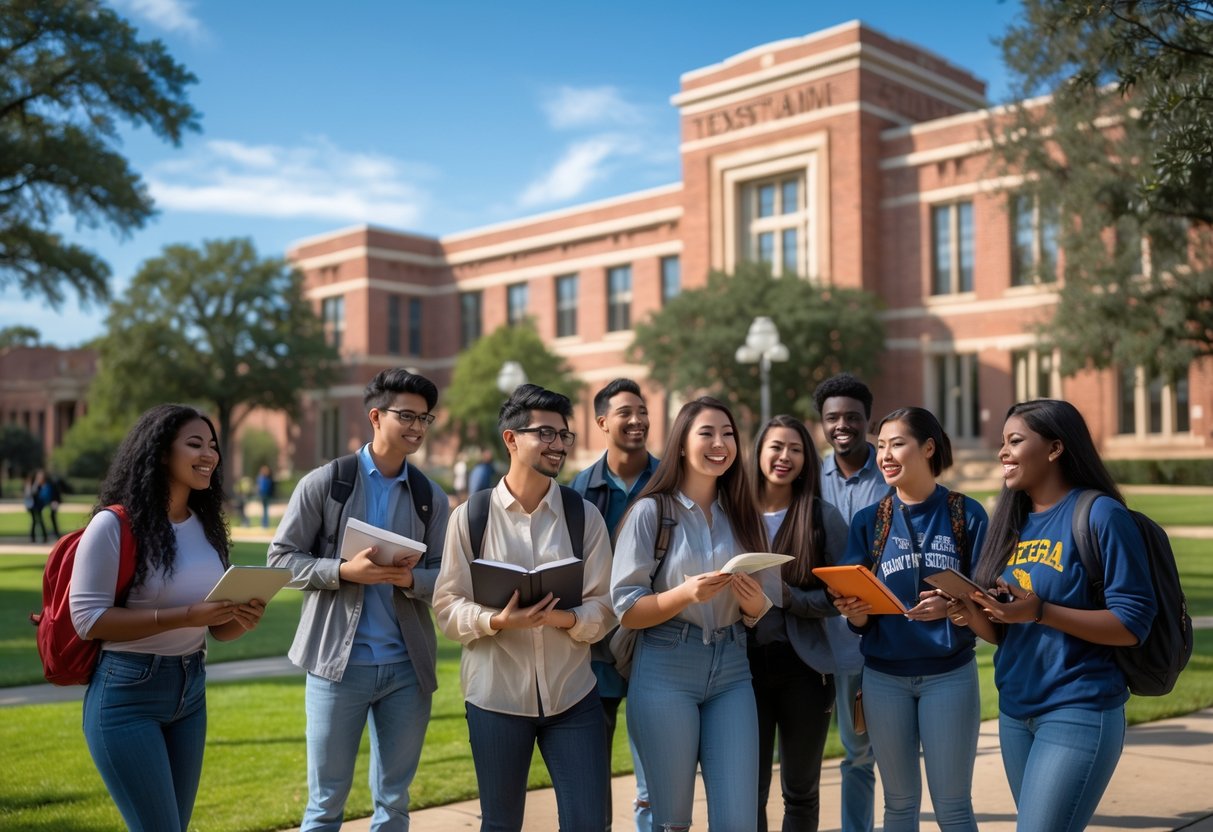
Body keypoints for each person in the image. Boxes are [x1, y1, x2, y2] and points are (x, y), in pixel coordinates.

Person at [954, 399, 1156, 832]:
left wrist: (1042, 611)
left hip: (1079, 709)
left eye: (1015, 441)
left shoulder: (1100, 514)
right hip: (1015, 713)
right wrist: (972, 611)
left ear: (1055, 448)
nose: (1003, 452)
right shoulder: (1012, 523)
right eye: (1002, 443)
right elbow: (1007, 632)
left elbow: (1133, 623)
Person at [268, 368, 451, 831]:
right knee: (325, 804)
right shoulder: (327, 483)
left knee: (394, 804)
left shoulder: (431, 497)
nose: (416, 427)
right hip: (336, 667)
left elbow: (449, 578)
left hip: (407, 671)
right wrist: (344, 572)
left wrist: (409, 581)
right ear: (375, 415)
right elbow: (279, 562)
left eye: (425, 419)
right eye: (406, 416)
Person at [68, 404, 266, 831]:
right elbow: (88, 619)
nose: (208, 454)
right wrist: (186, 615)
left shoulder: (208, 527)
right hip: (127, 694)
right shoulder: (113, 525)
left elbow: (219, 630)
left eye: (212, 445)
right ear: (160, 452)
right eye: (194, 444)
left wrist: (243, 617)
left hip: (190, 690)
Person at [434, 384, 615, 832]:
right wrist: (495, 620)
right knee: (500, 825)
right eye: (546, 434)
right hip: (495, 699)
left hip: (573, 697)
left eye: (564, 436)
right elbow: (446, 608)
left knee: (589, 823)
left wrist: (567, 619)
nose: (558, 445)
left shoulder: (583, 516)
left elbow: (606, 606)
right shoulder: (470, 518)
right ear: (512, 440)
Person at [611, 396, 772, 832]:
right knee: (672, 821)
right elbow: (626, 609)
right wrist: (684, 594)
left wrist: (755, 607)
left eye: (728, 434)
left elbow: (763, 604)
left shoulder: (743, 514)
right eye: (707, 433)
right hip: (665, 667)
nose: (720, 443)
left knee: (739, 821)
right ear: (681, 443)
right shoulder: (650, 512)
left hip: (733, 670)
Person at [832, 407, 987, 832]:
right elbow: (857, 613)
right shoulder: (870, 522)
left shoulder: (966, 515)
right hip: (883, 680)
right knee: (898, 806)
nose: (884, 454)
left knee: (953, 806)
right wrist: (855, 613)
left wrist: (954, 606)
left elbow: (989, 599)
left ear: (929, 448)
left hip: (949, 676)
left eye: (896, 443)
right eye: (880, 446)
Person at [749, 415, 851, 832]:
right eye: (775, 446)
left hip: (805, 669)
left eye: (795, 449)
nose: (784, 457)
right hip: (741, 669)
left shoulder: (821, 516)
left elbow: (842, 597)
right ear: (758, 451)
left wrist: (791, 599)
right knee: (746, 789)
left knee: (801, 790)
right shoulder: (730, 513)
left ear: (807, 459)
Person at [569, 378, 659, 832]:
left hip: (656, 646)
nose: (637, 420)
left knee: (655, 783)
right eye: (626, 412)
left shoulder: (670, 482)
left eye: (642, 411)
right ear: (601, 421)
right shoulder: (577, 492)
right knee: (591, 781)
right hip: (595, 654)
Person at [812, 373, 887, 832]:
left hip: (873, 636)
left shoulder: (891, 471)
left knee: (859, 751)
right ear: (822, 422)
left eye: (852, 417)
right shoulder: (807, 477)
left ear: (868, 421)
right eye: (833, 418)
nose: (843, 426)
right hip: (815, 635)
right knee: (803, 752)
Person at [39, 469, 64, 539]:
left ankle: (55, 533)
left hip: (53, 502)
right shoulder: (47, 483)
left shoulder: (50, 484)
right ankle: (54, 532)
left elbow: (53, 494)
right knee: (51, 518)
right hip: (51, 503)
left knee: (52, 517)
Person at [24, 470, 48, 542]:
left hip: (37, 506)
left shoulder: (37, 484)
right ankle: (34, 537)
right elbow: (29, 495)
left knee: (39, 521)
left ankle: (42, 537)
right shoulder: (32, 485)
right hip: (33, 506)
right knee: (35, 521)